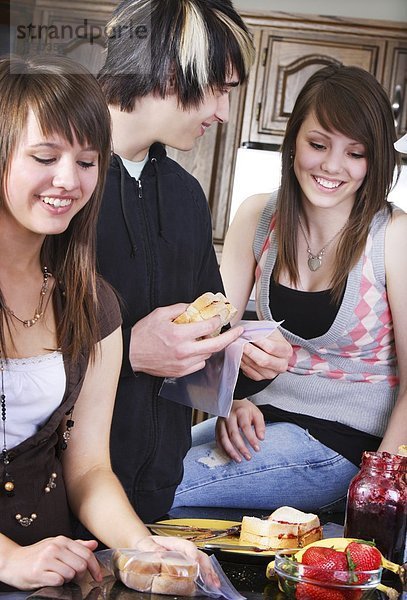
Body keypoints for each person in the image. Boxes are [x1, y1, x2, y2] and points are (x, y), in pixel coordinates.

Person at [0, 54, 218, 592]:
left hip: (51, 569)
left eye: (88, 161)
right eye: (45, 157)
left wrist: (141, 545)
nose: (68, 181)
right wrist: (7, 559)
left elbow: (89, 468)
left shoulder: (92, 302)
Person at [172, 64, 407, 513]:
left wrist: (377, 492)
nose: (331, 166)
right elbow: (210, 342)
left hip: (347, 445)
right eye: (317, 144)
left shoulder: (393, 237)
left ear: (374, 160)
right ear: (293, 140)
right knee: (144, 472)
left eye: (354, 153)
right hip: (259, 422)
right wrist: (232, 399)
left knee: (163, 490)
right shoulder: (258, 218)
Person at [96, 0, 292, 523]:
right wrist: (129, 352)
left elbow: (204, 336)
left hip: (155, 495)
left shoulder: (185, 195)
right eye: (219, 88)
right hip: (50, 503)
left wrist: (240, 363)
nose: (224, 113)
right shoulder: (59, 186)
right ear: (168, 66)